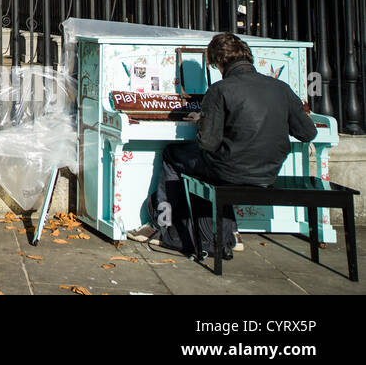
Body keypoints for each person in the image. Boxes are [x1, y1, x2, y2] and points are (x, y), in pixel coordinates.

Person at [129, 31, 318, 258]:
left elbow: (207, 143)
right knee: (222, 161)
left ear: (219, 63)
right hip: (268, 172)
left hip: (230, 172)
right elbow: (308, 133)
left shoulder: (219, 90)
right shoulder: (281, 88)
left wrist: (203, 120)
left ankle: (166, 227)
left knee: (173, 154)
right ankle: (231, 231)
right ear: (248, 57)